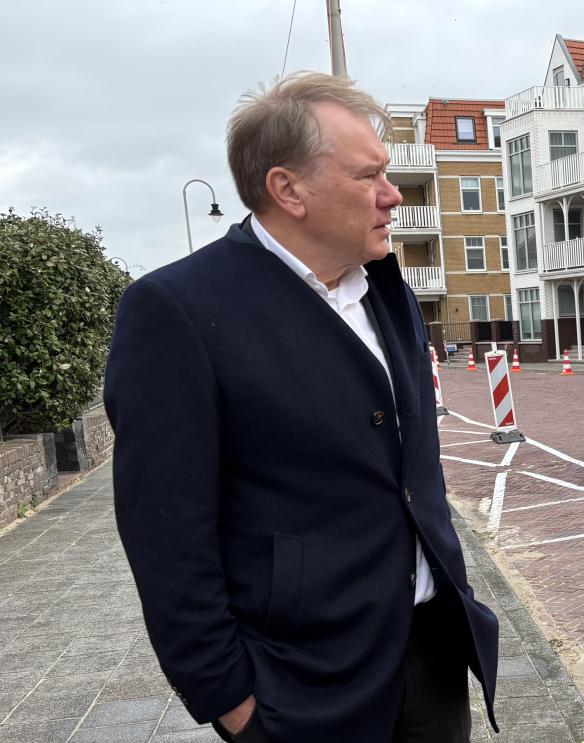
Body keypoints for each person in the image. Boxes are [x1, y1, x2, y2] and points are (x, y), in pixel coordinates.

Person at [105, 72, 498, 742]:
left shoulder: (386, 288)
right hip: (302, 684)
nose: (391, 196)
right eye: (367, 176)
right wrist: (232, 701)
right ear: (288, 189)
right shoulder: (178, 312)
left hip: (432, 656)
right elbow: (166, 536)